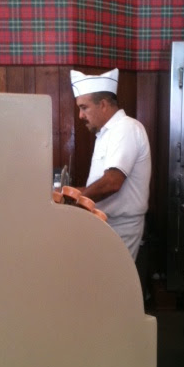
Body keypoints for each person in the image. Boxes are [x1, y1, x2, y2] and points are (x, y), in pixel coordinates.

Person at [70, 67, 151, 261]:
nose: (80, 115)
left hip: (121, 227)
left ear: (103, 105)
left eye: (84, 107)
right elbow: (100, 183)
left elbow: (112, 182)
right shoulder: (106, 133)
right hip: (105, 223)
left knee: (115, 279)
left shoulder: (126, 128)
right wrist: (69, 194)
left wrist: (74, 202)